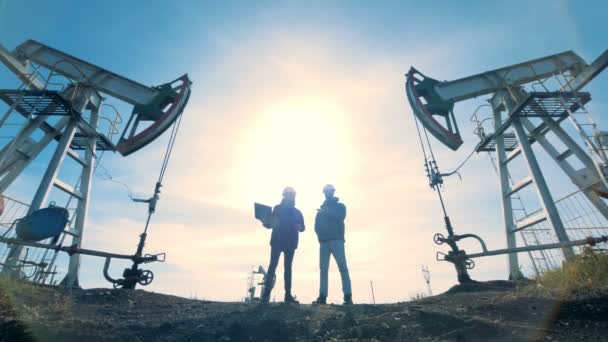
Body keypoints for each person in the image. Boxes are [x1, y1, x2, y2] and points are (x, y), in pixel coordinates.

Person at [260, 187, 305, 304]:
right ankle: (266, 296)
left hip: (290, 243)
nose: (290, 197)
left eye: (291, 195)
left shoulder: (297, 212)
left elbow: (303, 227)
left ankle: (287, 295)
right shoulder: (277, 209)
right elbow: (270, 224)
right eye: (288, 195)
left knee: (287, 269)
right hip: (277, 242)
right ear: (284, 196)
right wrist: (265, 221)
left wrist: (299, 227)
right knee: (272, 267)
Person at [313, 184, 353, 305]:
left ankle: (348, 297)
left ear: (333, 192)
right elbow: (316, 226)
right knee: (323, 270)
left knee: (343, 268)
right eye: (326, 192)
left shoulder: (340, 206)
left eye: (329, 191)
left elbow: (341, 217)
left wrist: (326, 212)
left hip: (337, 241)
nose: (327, 193)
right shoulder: (321, 210)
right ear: (324, 193)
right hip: (324, 242)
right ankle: (322, 297)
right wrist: (320, 238)